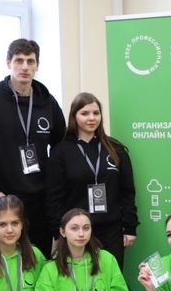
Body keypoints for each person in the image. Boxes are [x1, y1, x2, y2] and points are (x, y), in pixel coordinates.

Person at [0, 38, 66, 258]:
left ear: (37, 65)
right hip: (3, 202)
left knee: (38, 262)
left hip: (40, 204)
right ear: (8, 63)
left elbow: (61, 152)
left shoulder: (48, 103)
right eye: (19, 60)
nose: (25, 67)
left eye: (30, 61)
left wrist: (53, 191)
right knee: (3, 266)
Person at [46, 92, 138, 270]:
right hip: (77, 231)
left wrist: (130, 227)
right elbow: (54, 197)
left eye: (96, 113)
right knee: (80, 279)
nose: (91, 118)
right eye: (85, 113)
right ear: (74, 116)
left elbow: (127, 191)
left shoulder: (116, 149)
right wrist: (58, 232)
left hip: (111, 230)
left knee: (111, 277)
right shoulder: (61, 152)